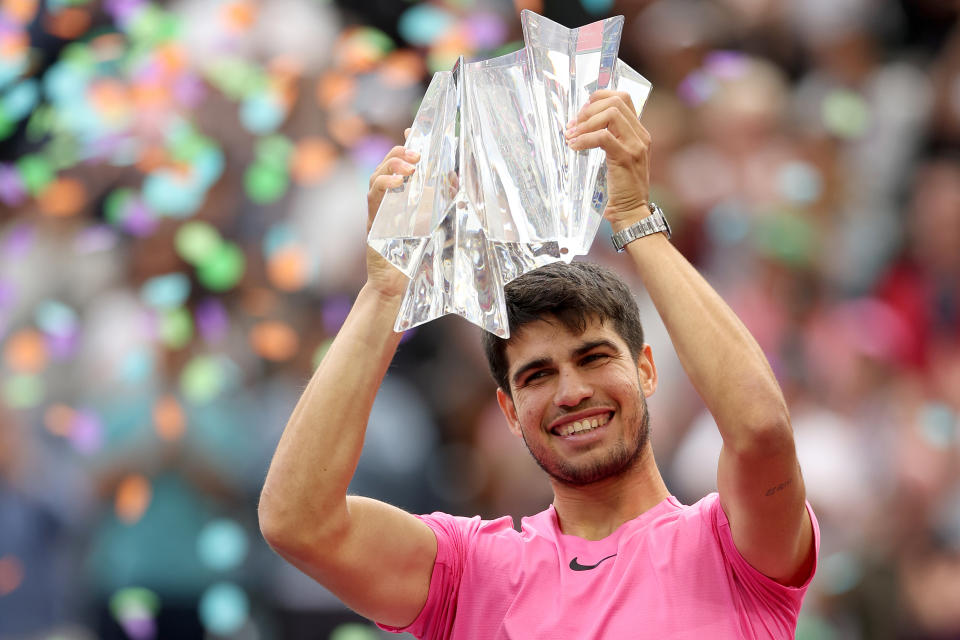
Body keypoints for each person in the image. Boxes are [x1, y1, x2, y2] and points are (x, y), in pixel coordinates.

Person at [258, 89, 819, 639]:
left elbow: (761, 431)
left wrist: (632, 216)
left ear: (647, 369)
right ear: (508, 409)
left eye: (594, 357)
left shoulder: (729, 543)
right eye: (537, 375)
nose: (571, 391)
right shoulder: (470, 571)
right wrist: (387, 291)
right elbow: (298, 522)